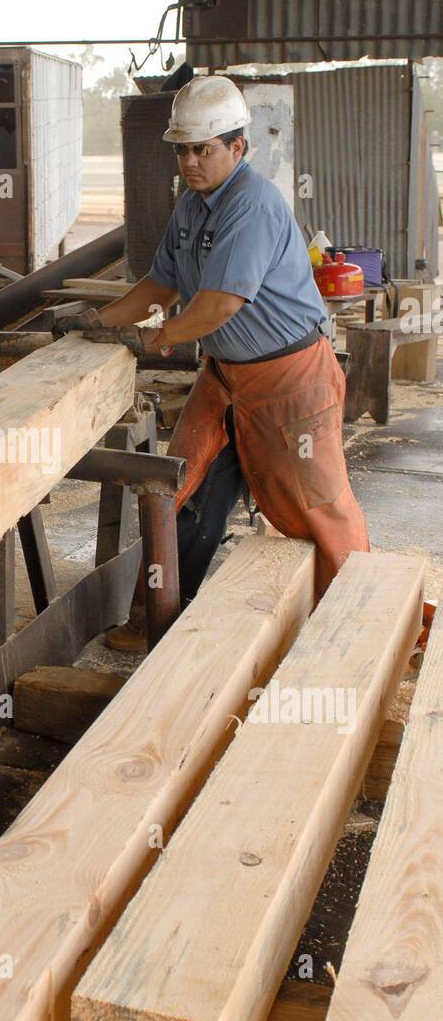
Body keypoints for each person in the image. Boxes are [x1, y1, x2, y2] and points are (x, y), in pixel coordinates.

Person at [65, 75, 369, 652]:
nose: (190, 161)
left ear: (238, 147)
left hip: (289, 382)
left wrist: (160, 337)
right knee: (178, 487)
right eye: (182, 149)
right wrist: (101, 322)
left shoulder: (254, 204)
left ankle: (357, 634)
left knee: (319, 507)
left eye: (202, 149)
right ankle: (156, 620)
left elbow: (219, 303)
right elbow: (161, 282)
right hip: (226, 377)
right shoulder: (191, 206)